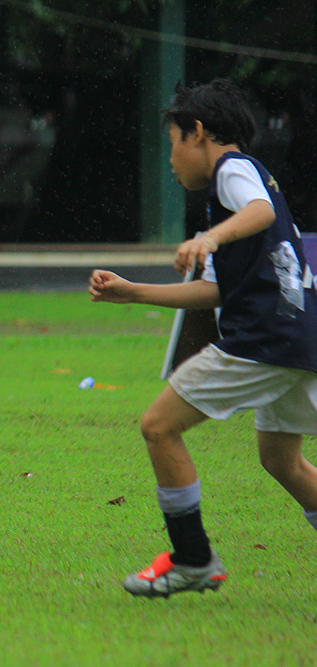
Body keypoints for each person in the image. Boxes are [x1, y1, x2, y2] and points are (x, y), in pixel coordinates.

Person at [89, 78, 317, 597]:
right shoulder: (238, 192)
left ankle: (193, 560)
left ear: (198, 133)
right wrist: (135, 293)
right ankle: (194, 559)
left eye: (173, 143)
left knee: (158, 425)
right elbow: (216, 291)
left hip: (263, 339)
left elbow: (255, 211)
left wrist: (209, 235)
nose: (171, 160)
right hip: (296, 338)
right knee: (282, 460)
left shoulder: (232, 170)